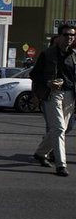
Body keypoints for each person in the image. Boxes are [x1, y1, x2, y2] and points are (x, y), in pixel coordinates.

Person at [32, 23, 76, 177]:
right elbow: (34, 75)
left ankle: (40, 153)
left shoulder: (74, 55)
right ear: (59, 36)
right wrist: (48, 83)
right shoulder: (47, 54)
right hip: (53, 94)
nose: (69, 37)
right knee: (59, 128)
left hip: (70, 95)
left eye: (72, 35)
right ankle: (61, 165)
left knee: (63, 128)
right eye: (66, 34)